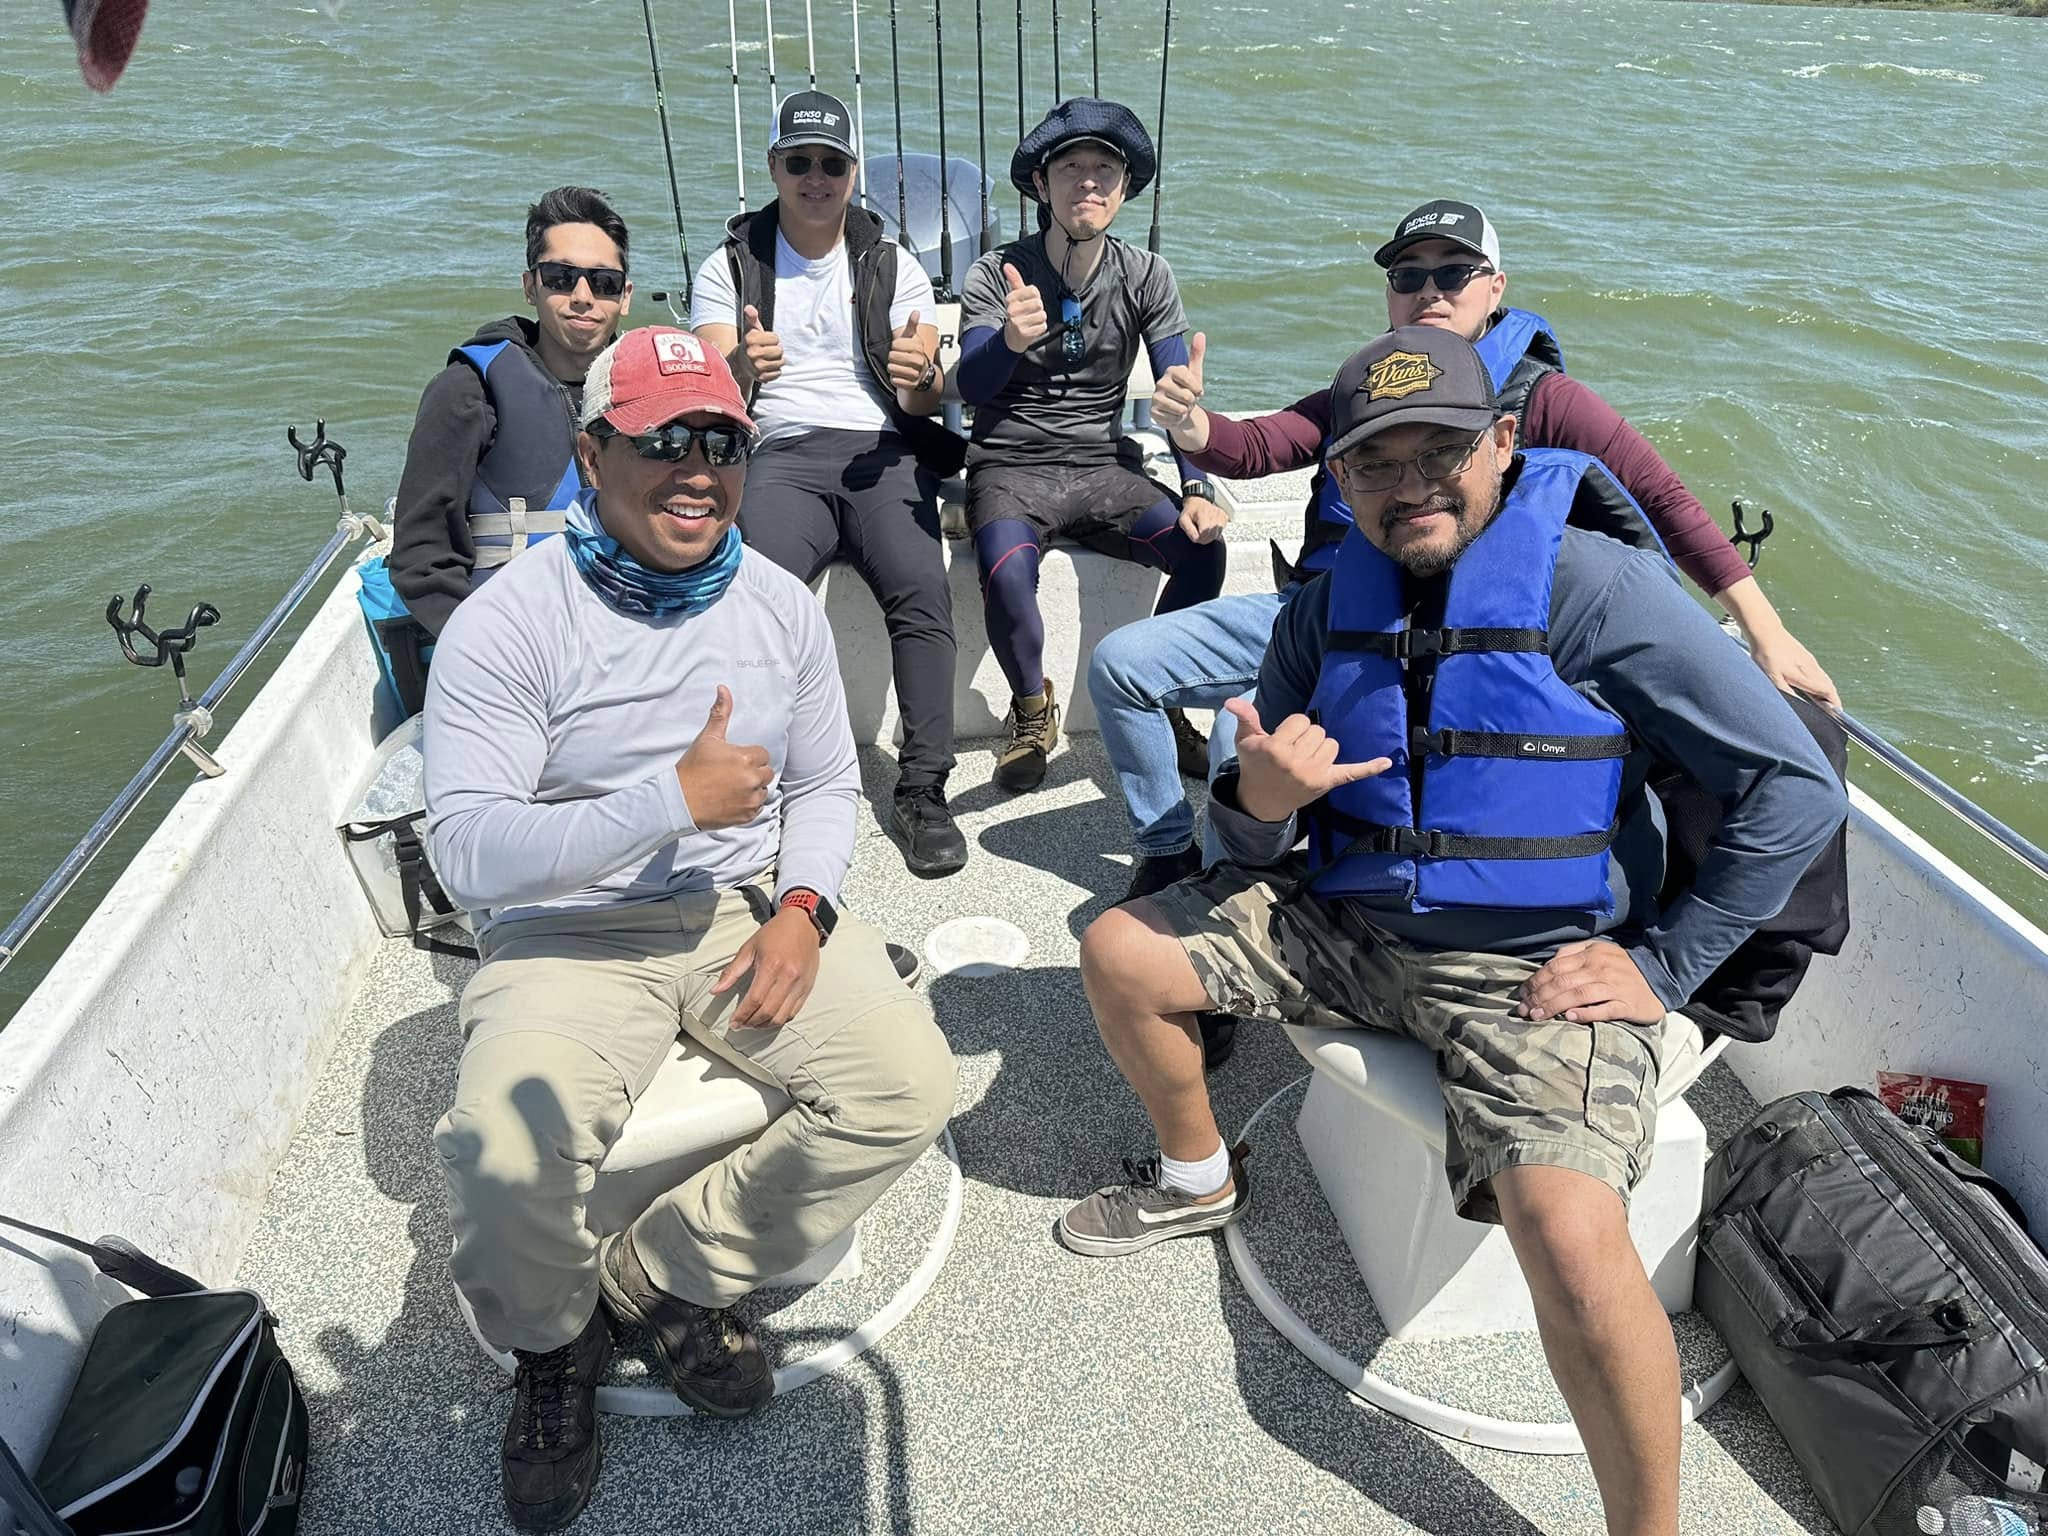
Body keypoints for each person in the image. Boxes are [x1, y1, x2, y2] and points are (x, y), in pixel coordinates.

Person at [1059, 327, 1847, 1536]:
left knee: (1571, 1241)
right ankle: (1197, 1178)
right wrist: (1257, 803)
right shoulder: (1322, 611)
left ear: (1502, 446)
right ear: (1338, 478)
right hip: (1348, 920)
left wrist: (1664, 966)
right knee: (1119, 951)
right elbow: (1249, 846)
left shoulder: (1595, 590)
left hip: (1537, 966)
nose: (1409, 483)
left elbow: (1792, 789)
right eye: (1375, 463)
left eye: (1440, 451)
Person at [424, 326, 956, 1532]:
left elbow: (823, 785)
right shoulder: (508, 622)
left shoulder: (776, 604)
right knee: (499, 1156)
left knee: (905, 1087)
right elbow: (467, 853)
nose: (694, 468)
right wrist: (667, 802)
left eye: (720, 441)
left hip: (737, 908)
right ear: (590, 454)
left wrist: (805, 912)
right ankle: (553, 1345)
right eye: (660, 439)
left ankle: (663, 1275)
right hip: (564, 933)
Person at [1088, 197, 1840, 903]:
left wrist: (1765, 630)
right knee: (1124, 664)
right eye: (1408, 277)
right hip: (1313, 617)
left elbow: (1664, 501)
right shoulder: (1372, 387)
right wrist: (1189, 426)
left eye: (1453, 273)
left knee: (1236, 735)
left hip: (1446, 642)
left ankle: (1228, 906)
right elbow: (1259, 445)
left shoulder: (1545, 400)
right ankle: (1171, 855)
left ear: (1495, 288)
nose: (1429, 292)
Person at [693, 90, 968, 877]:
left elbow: (920, 397)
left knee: (921, 587)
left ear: (852, 174)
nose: (816, 177)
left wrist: (922, 379)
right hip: (779, 451)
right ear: (773, 167)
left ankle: (923, 789)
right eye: (799, 162)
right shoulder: (729, 265)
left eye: (832, 164)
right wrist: (743, 366)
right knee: (756, 597)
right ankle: (760, 781)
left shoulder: (893, 262)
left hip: (883, 449)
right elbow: (714, 389)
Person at [954, 97, 1229, 792]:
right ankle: (1031, 709)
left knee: (1204, 548)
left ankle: (1163, 703)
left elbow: (1177, 394)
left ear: (1124, 188)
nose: (1088, 181)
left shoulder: (1147, 275)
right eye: (1070, 167)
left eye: (1104, 169)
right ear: (1040, 184)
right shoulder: (996, 273)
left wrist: (1197, 485)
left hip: (1104, 467)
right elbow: (975, 385)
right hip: (1009, 465)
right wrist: (1009, 340)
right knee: (1005, 569)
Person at [376, 187, 634, 714]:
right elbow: (421, 555)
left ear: (625, 296)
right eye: (560, 277)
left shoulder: (652, 388)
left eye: (603, 282)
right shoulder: (468, 390)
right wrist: (481, 653)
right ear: (530, 286)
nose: (583, 296)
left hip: (629, 632)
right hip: (510, 643)